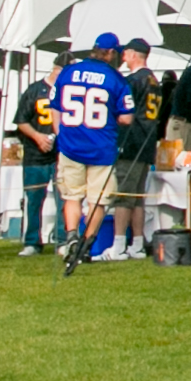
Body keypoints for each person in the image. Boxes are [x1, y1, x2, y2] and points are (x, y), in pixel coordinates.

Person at [48, 33, 129, 273]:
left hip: (71, 145)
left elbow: (54, 106)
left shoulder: (68, 72)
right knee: (98, 199)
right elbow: (126, 116)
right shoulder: (115, 78)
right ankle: (86, 244)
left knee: (72, 196)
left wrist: (60, 133)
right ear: (112, 53)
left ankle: (71, 236)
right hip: (102, 147)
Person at [107, 39, 162, 260]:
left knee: (124, 196)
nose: (123, 57)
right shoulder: (154, 80)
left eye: (126, 53)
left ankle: (118, 243)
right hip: (147, 142)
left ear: (132, 54)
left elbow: (124, 114)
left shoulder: (132, 81)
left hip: (130, 143)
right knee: (137, 197)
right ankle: (137, 243)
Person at [7, 58, 60, 256]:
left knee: (65, 198)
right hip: (35, 155)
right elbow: (20, 120)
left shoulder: (69, 90)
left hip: (60, 155)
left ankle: (62, 240)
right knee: (33, 200)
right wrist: (38, 137)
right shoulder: (35, 90)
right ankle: (32, 241)